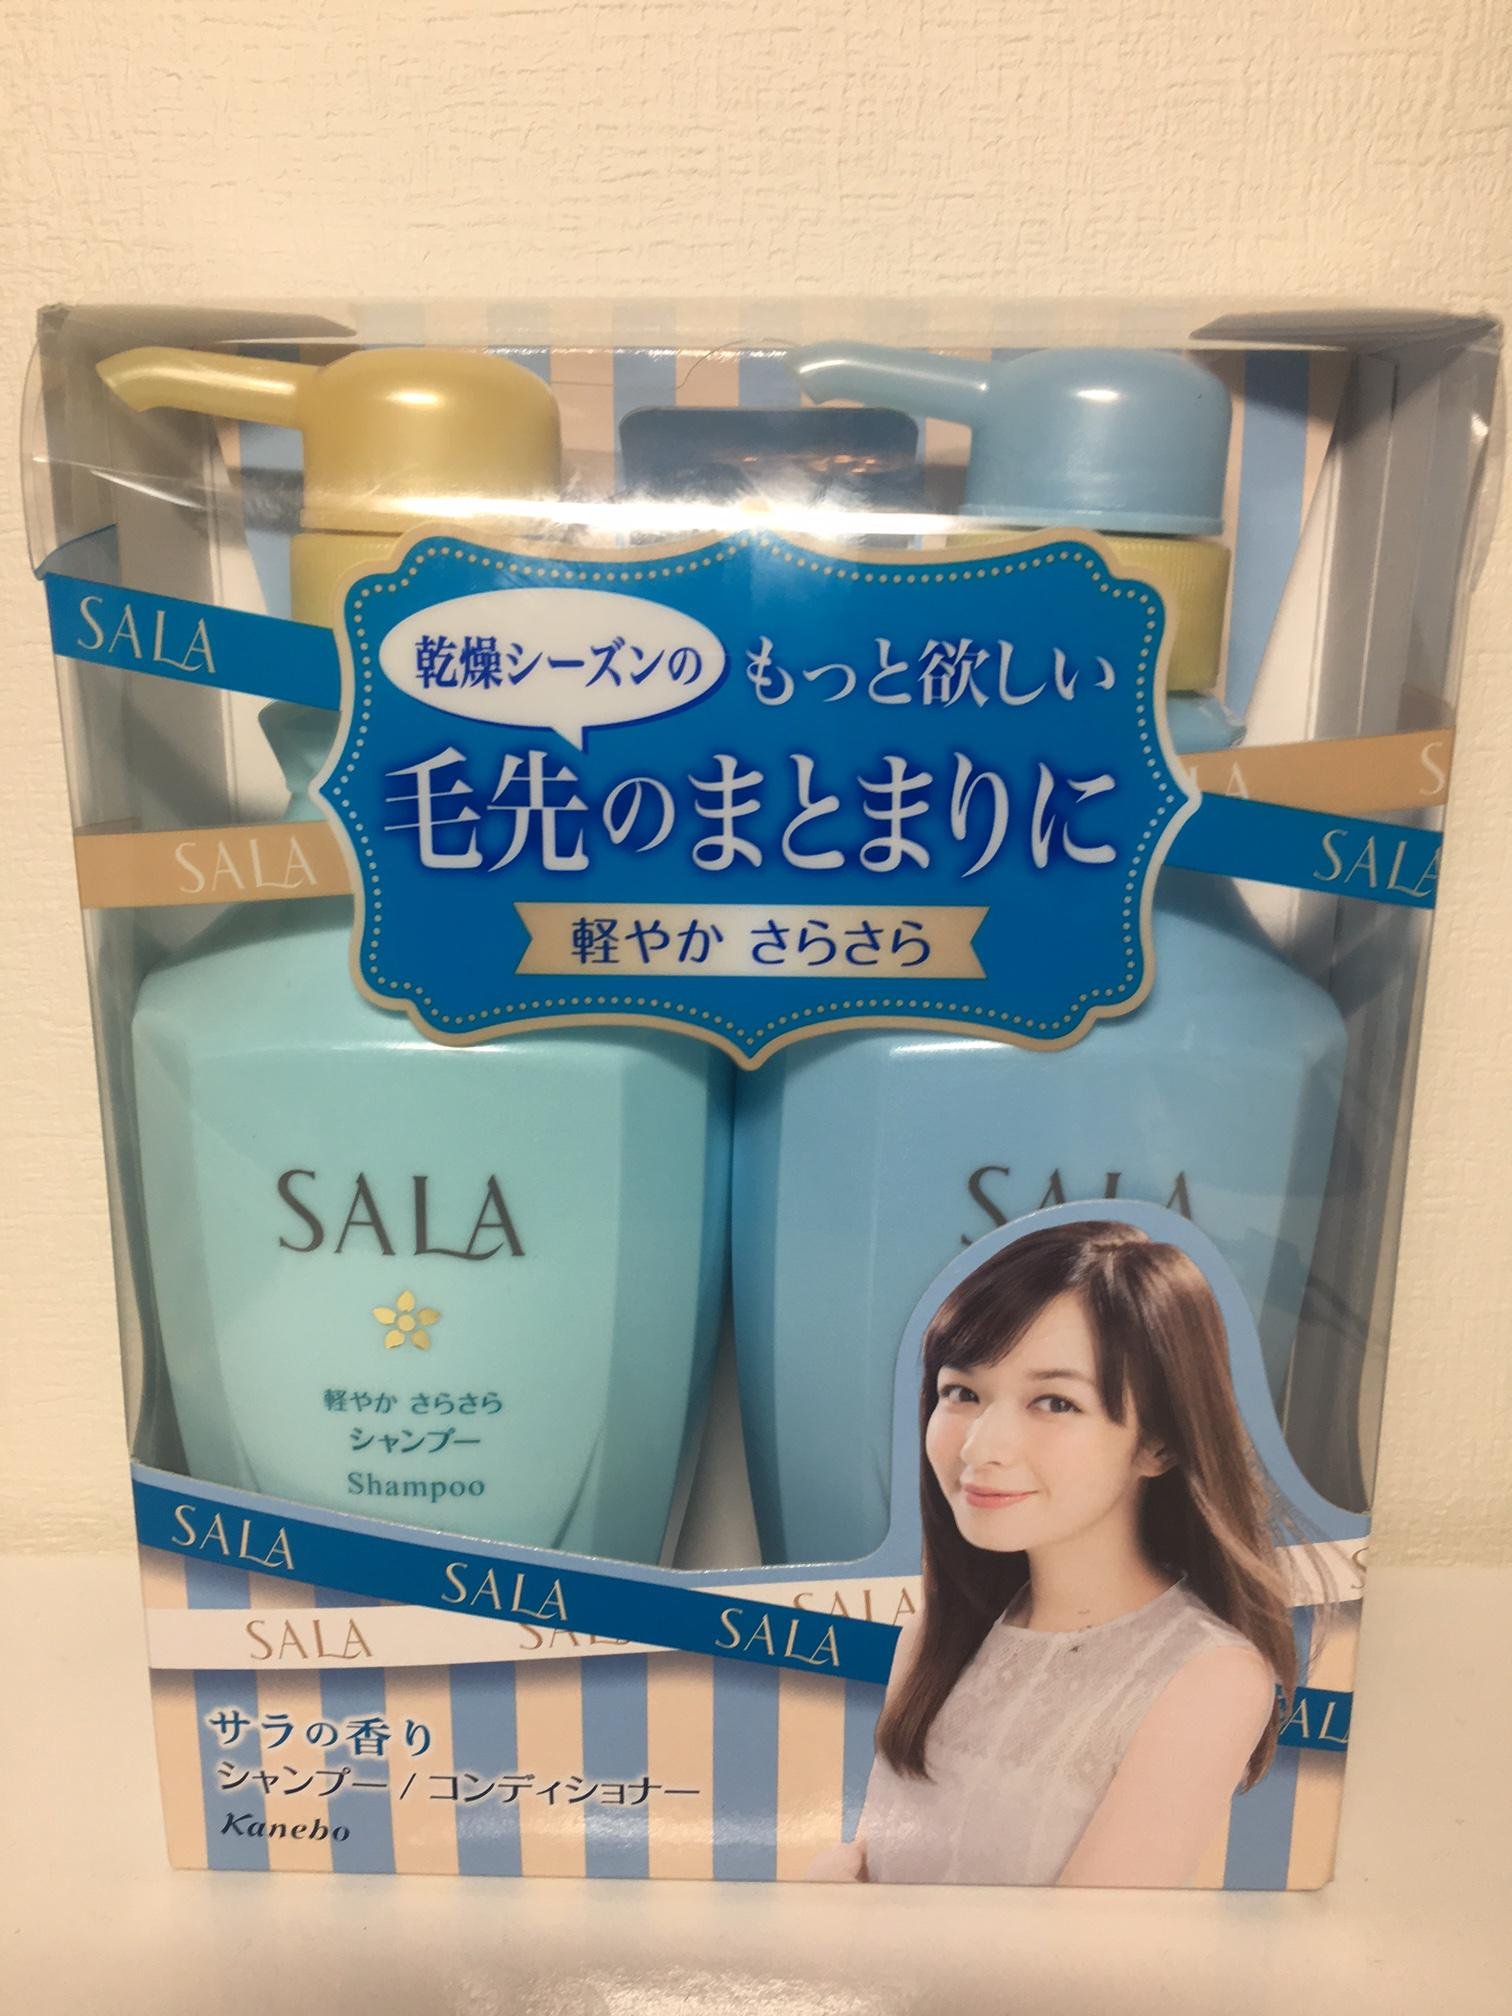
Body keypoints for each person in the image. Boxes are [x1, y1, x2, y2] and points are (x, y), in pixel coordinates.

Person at [808, 1219, 1297, 1887]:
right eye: (962, 1393)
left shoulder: (1204, 1676)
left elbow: (1083, 1952)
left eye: (1054, 1403)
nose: (982, 1447)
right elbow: (874, 1865)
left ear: (1159, 1443)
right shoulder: (934, 1637)